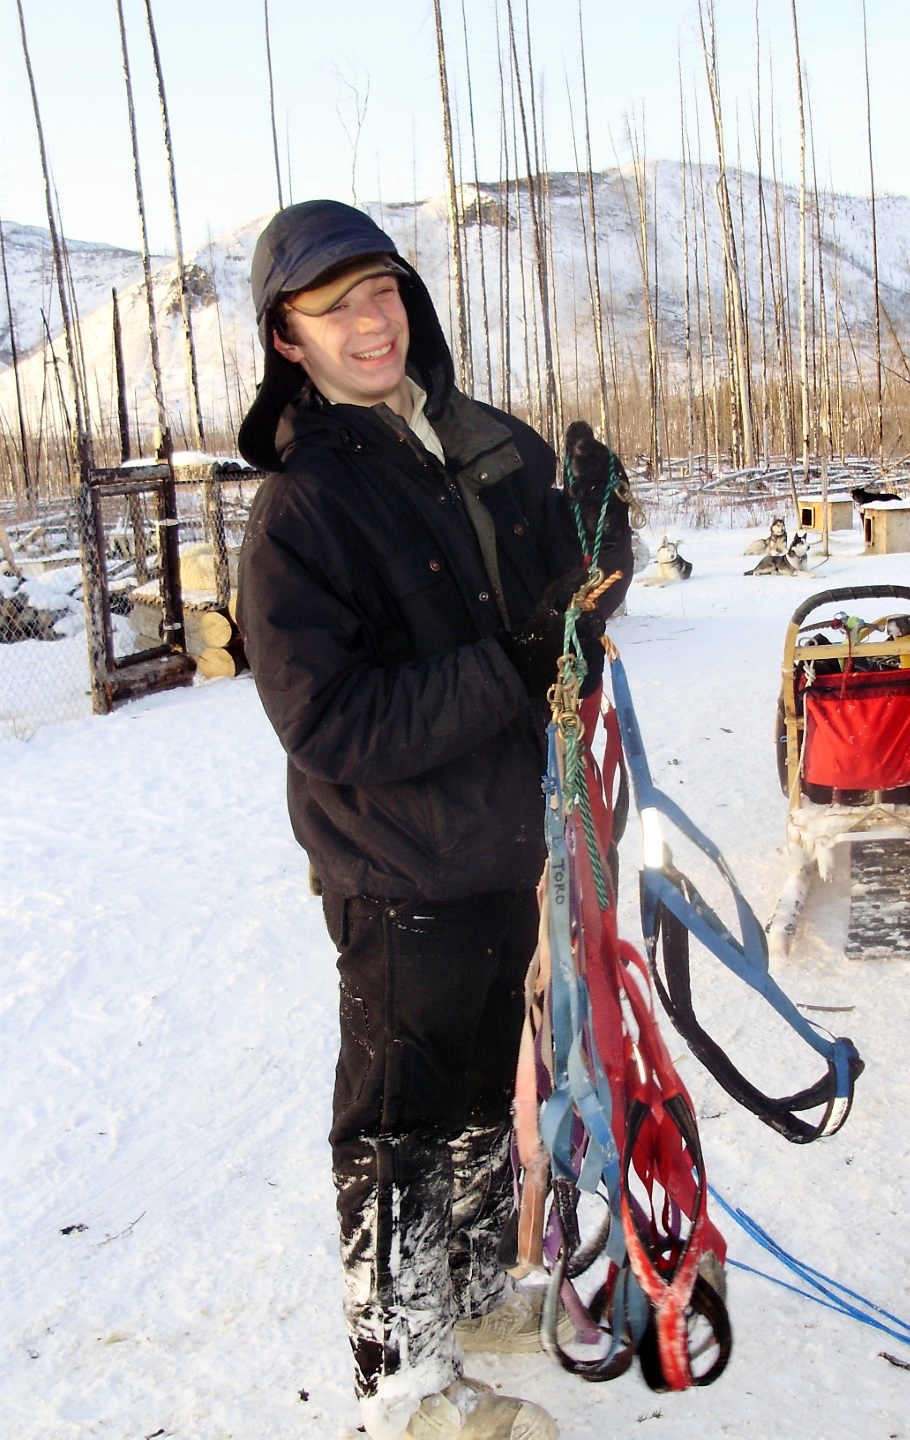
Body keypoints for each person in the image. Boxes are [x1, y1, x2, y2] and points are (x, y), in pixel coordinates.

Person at [235, 199, 631, 1440]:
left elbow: (554, 615)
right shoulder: (301, 509)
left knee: (472, 1103)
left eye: (384, 290)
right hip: (398, 867)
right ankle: (401, 1377)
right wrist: (514, 664)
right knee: (398, 1129)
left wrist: (598, 554)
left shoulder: (478, 441)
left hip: (502, 842)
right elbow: (330, 722)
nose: (370, 321)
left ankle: (461, 1299)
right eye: (334, 305)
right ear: (286, 341)